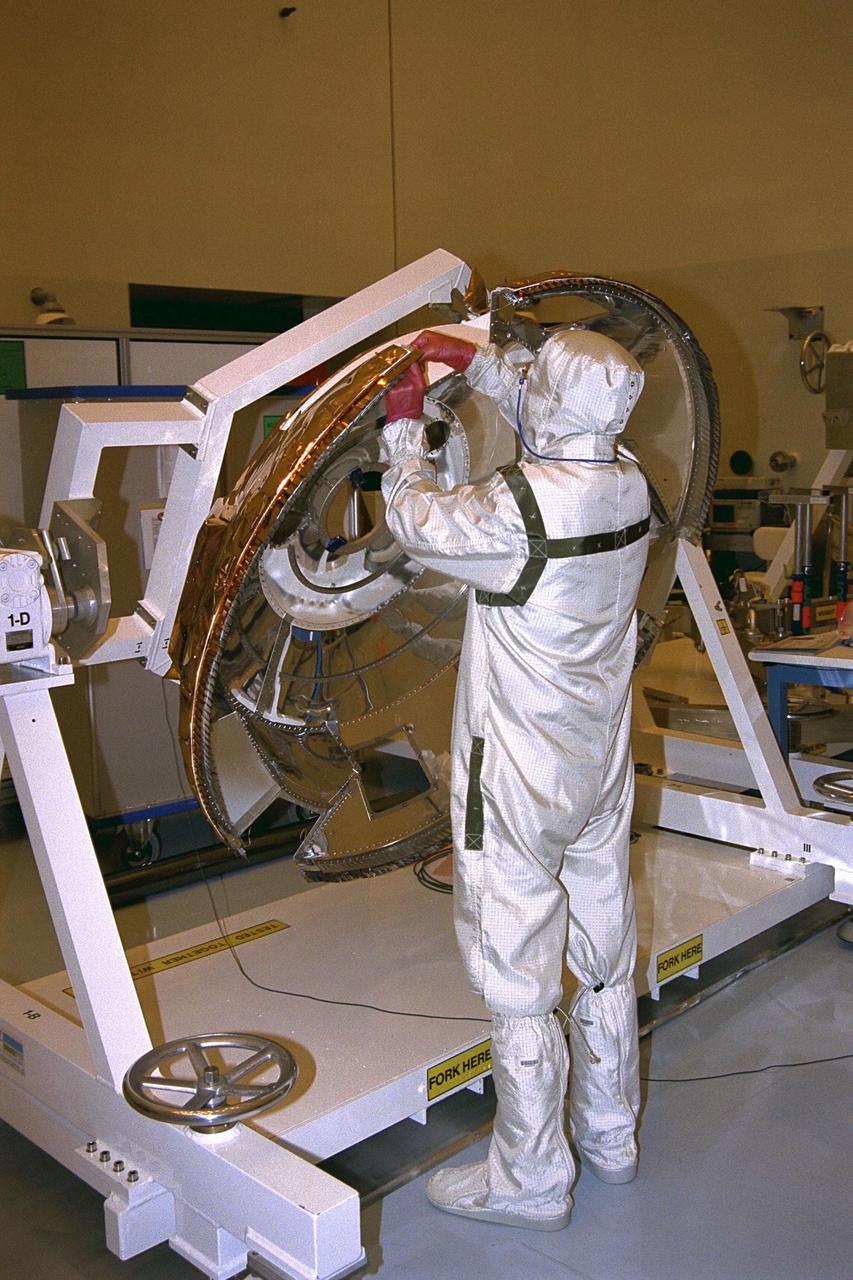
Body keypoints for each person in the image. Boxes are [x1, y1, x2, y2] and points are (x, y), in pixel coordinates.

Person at [380, 325, 650, 1231]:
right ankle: (610, 1137)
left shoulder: (517, 508)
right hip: (597, 762)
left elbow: (413, 520)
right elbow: (552, 414)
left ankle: (529, 1181)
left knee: (519, 973)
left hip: (521, 774)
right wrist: (483, 365)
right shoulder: (628, 481)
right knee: (604, 945)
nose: (525, 386)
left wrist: (402, 428)